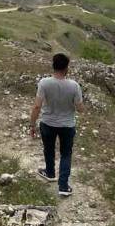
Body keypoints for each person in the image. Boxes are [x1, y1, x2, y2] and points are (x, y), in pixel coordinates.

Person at [30, 53, 84, 197]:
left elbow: (37, 106)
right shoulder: (74, 86)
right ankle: (64, 186)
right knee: (66, 154)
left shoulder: (44, 83)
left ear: (53, 66)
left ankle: (50, 173)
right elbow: (80, 109)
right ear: (67, 68)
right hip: (67, 125)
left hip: (48, 123)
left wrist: (32, 125)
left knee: (48, 149)